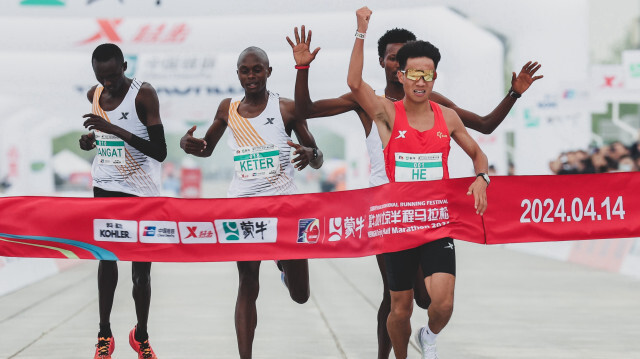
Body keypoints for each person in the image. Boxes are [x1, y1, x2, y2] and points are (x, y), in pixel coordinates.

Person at [289, 21, 542, 359]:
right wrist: (303, 67)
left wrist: (514, 94)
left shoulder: (435, 103)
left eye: (411, 61)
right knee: (395, 298)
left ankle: (425, 336)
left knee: (427, 299)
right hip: (387, 210)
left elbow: (484, 126)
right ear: (385, 63)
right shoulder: (370, 105)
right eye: (395, 59)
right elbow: (304, 110)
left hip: (430, 211)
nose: (401, 66)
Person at [346, 7, 488, 358]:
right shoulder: (386, 114)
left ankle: (429, 335)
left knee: (442, 304)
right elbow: (354, 83)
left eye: (428, 74)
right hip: (397, 223)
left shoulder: (448, 117)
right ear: (402, 75)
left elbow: (477, 153)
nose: (421, 81)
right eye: (414, 74)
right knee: (400, 308)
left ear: (434, 77)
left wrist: (482, 177)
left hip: (437, 222)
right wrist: (361, 32)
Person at [179, 45, 323, 359]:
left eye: (257, 69)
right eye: (245, 71)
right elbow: (205, 148)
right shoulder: (227, 109)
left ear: (269, 72)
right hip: (243, 207)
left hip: (284, 209)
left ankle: (285, 267)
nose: (251, 76)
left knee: (301, 295)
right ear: (238, 75)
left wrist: (310, 154)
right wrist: (187, 145)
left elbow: (316, 157)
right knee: (247, 282)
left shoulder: (286, 109)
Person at [79, 43, 166, 359]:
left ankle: (140, 335)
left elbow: (160, 151)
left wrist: (112, 128)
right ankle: (104, 335)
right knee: (106, 260)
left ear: (125, 66)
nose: (108, 83)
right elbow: (102, 140)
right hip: (105, 186)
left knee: (141, 272)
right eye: (102, 77)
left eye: (114, 76)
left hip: (142, 191)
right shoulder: (95, 94)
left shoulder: (144, 95)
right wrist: (92, 141)